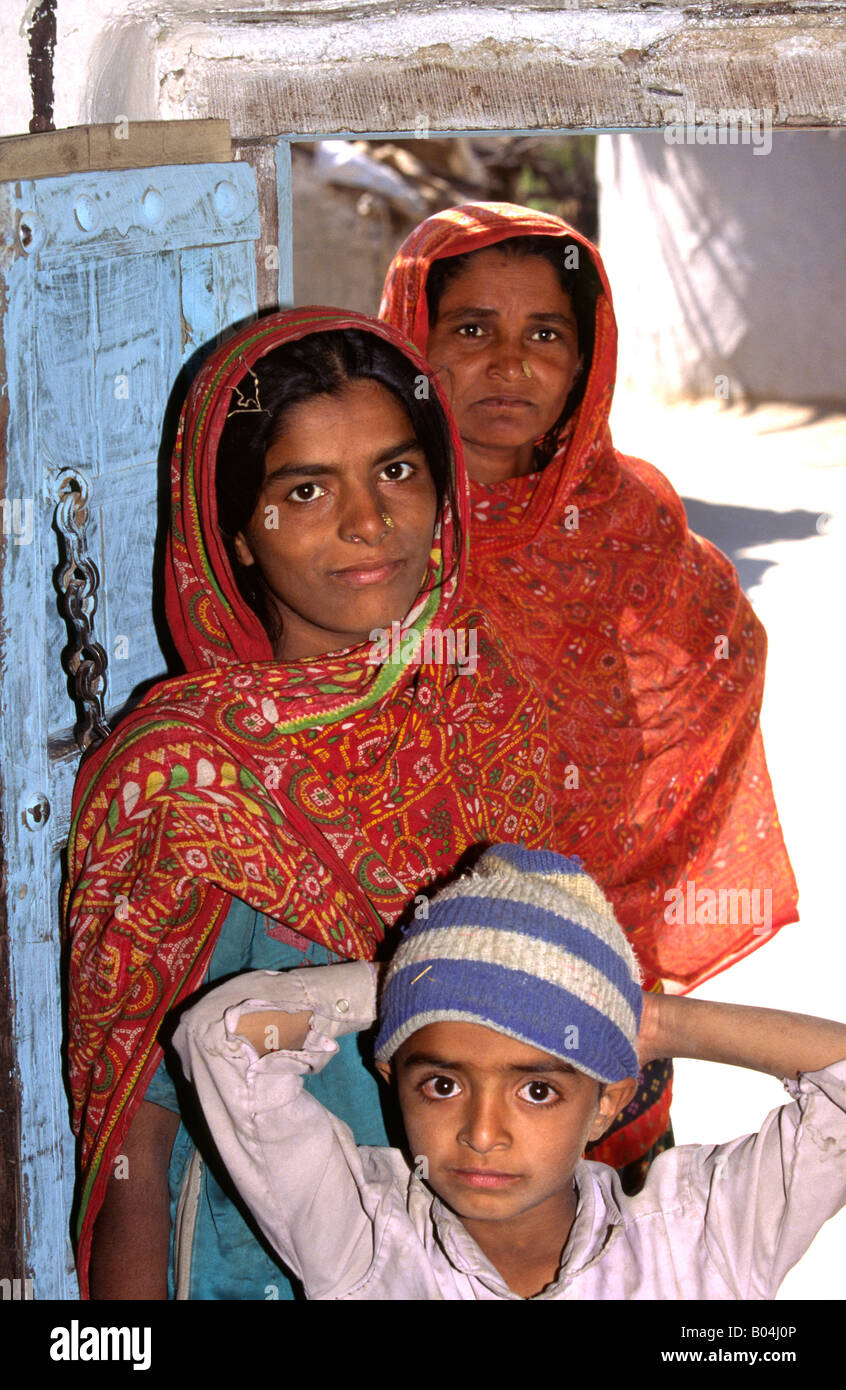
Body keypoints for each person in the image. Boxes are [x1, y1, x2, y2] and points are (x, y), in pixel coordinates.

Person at [64, 308, 554, 1300]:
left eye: (397, 471)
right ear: (237, 532)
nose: (368, 521)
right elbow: (132, 1140)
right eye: (305, 490)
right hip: (255, 1269)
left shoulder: (495, 710)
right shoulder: (184, 772)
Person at [379, 203, 799, 1180]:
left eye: (546, 336)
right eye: (473, 330)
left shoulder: (623, 516)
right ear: (416, 337)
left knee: (611, 1241)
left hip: (598, 952)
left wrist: (623, 841)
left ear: (585, 361)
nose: (509, 366)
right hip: (410, 968)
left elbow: (724, 654)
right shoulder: (373, 521)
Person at [173, 843, 846, 1301]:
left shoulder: (697, 1240)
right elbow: (223, 1037)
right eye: (442, 1083)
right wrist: (420, 985)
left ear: (608, 1101)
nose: (483, 1133)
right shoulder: (362, 1234)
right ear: (391, 1076)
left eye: (537, 1090)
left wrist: (660, 1024)